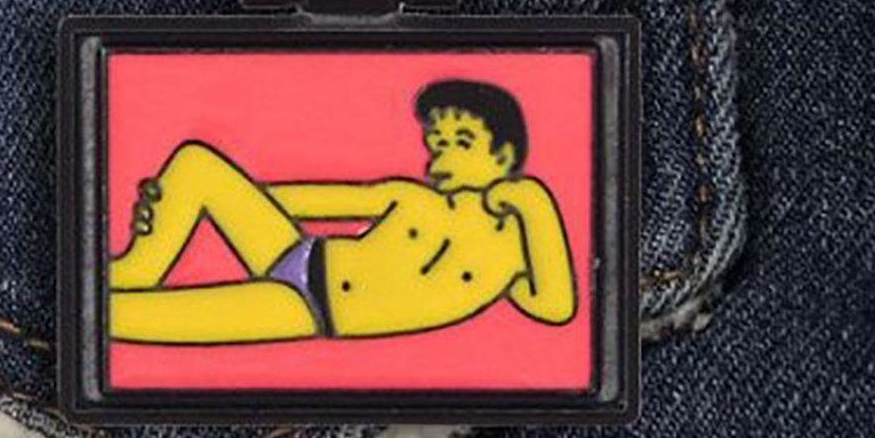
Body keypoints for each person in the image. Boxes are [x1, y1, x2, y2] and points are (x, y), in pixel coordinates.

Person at [109, 79, 576, 342]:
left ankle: (106, 286)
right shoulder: (411, 198)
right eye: (438, 143)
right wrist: (187, 202)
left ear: (503, 156)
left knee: (109, 318)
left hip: (311, 309)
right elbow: (309, 201)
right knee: (195, 164)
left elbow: (556, 308)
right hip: (300, 252)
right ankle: (132, 267)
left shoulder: (511, 261)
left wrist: (535, 202)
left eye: (462, 142)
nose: (442, 156)